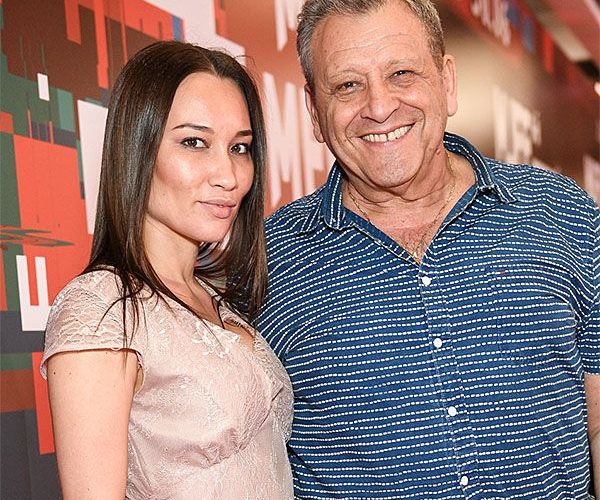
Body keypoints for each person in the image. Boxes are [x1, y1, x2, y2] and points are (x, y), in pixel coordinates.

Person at [258, 0, 600, 498]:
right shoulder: (266, 260)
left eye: (401, 73)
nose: (379, 107)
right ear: (314, 111)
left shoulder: (561, 211)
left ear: (447, 81)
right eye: (348, 85)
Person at [41, 41, 293, 499]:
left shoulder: (219, 303)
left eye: (240, 147)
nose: (228, 174)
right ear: (137, 148)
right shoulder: (101, 308)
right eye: (194, 143)